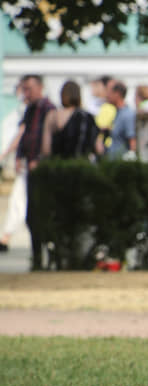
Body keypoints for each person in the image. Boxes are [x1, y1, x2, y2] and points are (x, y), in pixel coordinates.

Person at [16, 74, 56, 269]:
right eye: (24, 89)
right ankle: (37, 255)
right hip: (30, 167)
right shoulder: (30, 110)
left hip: (43, 169)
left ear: (40, 87)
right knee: (31, 215)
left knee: (43, 214)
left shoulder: (49, 109)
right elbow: (25, 134)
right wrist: (18, 156)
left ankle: (49, 256)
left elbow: (49, 139)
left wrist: (40, 160)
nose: (26, 93)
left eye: (29, 89)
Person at [41, 80, 100, 160]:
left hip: (57, 166)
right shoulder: (87, 117)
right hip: (81, 167)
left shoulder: (52, 115)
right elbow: (99, 148)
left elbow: (46, 150)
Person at [0, 81, 28, 253]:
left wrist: (5, 154)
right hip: (21, 162)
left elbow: (19, 135)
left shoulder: (26, 111)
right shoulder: (19, 111)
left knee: (19, 200)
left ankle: (6, 235)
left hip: (25, 163)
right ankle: (6, 235)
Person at [104, 80, 136, 159]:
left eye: (109, 92)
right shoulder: (118, 113)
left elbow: (132, 140)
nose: (106, 95)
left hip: (121, 163)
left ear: (117, 93)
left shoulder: (127, 114)